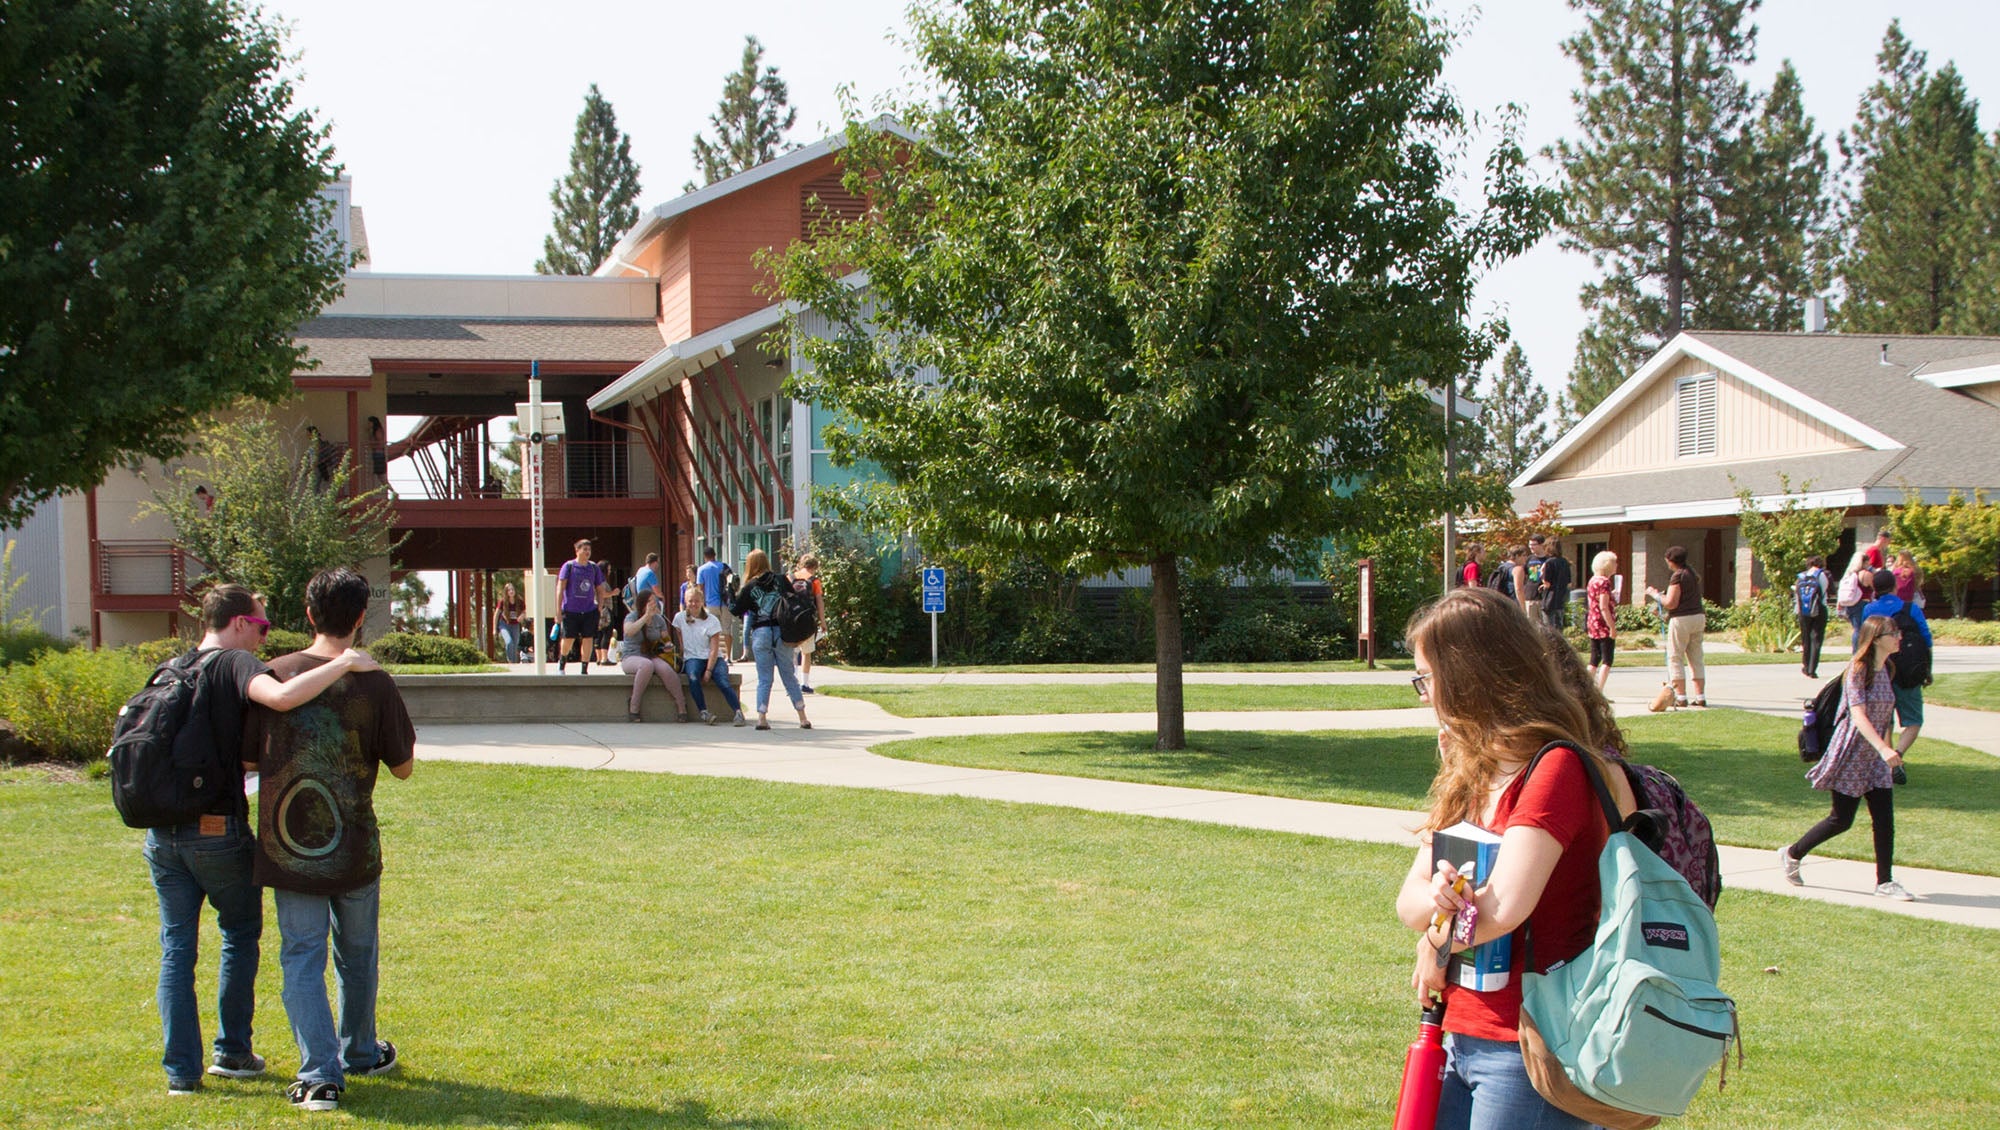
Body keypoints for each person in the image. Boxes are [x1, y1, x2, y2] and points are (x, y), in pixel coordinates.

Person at [1395, 587, 1636, 1130]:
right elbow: (1409, 901)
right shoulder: (1473, 771)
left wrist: (1438, 939)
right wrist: (1439, 919)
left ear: (1466, 677)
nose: (1425, 696)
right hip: (1463, 1032)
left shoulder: (1555, 770)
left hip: (1531, 1044)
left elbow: (1500, 910)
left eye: (1427, 680)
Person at [145, 583, 378, 1097]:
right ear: (238, 625)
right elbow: (282, 695)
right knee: (239, 933)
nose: (263, 638)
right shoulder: (233, 663)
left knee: (176, 947)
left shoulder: (171, 667)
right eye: (263, 627)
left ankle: (181, 1073)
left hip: (162, 837)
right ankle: (231, 1051)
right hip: (215, 830)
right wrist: (345, 663)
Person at [243, 568, 415, 1112]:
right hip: (355, 844)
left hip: (287, 845)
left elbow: (248, 759)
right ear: (361, 618)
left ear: (310, 612)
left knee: (301, 955)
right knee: (357, 955)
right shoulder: (375, 682)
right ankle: (359, 1051)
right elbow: (404, 767)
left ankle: (320, 1073)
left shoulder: (275, 675)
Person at [1778, 614, 1915, 901]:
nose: (1898, 637)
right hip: (1852, 752)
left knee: (1884, 818)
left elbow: (1884, 718)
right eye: (1893, 633)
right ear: (1876, 638)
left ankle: (1885, 882)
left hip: (1875, 757)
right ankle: (1792, 853)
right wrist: (1883, 749)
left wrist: (1889, 753)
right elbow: (1858, 715)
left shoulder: (1886, 669)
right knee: (1841, 819)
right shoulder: (1857, 670)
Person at [731, 548, 812, 731]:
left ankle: (762, 717)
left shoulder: (750, 587)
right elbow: (793, 601)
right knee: (788, 675)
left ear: (750, 565)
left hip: (761, 632)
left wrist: (731, 592)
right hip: (782, 632)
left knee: (765, 678)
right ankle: (802, 717)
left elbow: (735, 609)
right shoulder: (781, 580)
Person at [1861, 566, 1931, 758]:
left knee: (1885, 720)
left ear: (1875, 588)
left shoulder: (1870, 609)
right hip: (1909, 670)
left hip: (1880, 668)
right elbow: (1927, 640)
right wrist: (1927, 669)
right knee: (1914, 720)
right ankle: (1898, 754)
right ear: (1895, 587)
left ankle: (1887, 759)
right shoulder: (1911, 608)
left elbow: (1863, 639)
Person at [675, 588, 747, 726]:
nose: (693, 604)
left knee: (722, 680)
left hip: (713, 657)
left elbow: (714, 648)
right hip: (692, 658)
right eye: (690, 601)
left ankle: (738, 712)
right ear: (685, 601)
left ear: (702, 602)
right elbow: (681, 642)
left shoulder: (711, 620)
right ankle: (704, 712)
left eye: (697, 601)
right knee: (693, 677)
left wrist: (708, 670)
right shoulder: (679, 618)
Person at [1646, 545, 1706, 708]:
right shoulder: (1692, 574)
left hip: (1682, 620)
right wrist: (1664, 616)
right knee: (1696, 659)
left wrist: (1655, 595)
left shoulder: (1678, 576)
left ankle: (1681, 697)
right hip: (1698, 617)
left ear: (1671, 561)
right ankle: (1700, 696)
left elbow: (1671, 603)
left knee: (1675, 658)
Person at [617, 588, 689, 722]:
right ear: (642, 603)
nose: (653, 604)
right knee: (646, 665)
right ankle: (634, 706)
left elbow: (666, 640)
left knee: (665, 669)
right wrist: (646, 617)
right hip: (631, 657)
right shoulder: (632, 616)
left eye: (654, 601)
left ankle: (681, 706)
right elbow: (629, 631)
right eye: (649, 601)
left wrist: (668, 646)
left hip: (653, 655)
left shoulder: (659, 620)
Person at [556, 539, 609, 674]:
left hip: (589, 610)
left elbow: (600, 588)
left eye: (589, 550)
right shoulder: (569, 566)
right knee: (568, 638)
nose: (587, 552)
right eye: (584, 549)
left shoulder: (593, 568)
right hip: (570, 610)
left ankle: (584, 668)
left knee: (588, 638)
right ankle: (562, 663)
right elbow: (560, 588)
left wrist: (600, 606)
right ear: (577, 550)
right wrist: (558, 610)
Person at [791, 552, 827, 693]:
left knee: (793, 653)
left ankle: (792, 683)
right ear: (814, 566)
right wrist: (822, 621)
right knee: (806, 653)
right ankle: (805, 684)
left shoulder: (791, 577)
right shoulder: (814, 581)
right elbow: (819, 602)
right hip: (807, 620)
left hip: (792, 620)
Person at [696, 546, 739, 663]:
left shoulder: (702, 569)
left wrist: (701, 604)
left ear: (705, 557)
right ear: (715, 555)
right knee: (727, 630)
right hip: (725, 603)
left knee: (710, 631)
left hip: (710, 604)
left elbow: (700, 588)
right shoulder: (724, 566)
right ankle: (728, 657)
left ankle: (713, 655)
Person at [1585, 550, 1618, 690]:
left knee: (1594, 659)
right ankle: (1599, 690)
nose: (1616, 565)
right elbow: (1604, 607)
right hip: (1603, 623)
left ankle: (1585, 688)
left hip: (1592, 621)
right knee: (1607, 659)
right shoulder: (1604, 582)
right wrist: (1612, 627)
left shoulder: (1592, 580)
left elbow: (1594, 600)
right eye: (1614, 562)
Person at [1795, 554, 1831, 679]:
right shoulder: (1822, 575)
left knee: (1805, 639)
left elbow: (1797, 595)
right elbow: (1826, 591)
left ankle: (1805, 666)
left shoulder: (1801, 576)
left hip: (1803, 610)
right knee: (1816, 638)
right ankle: (1812, 669)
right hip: (1819, 608)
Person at [1537, 535, 1573, 632]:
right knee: (1559, 628)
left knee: (1549, 629)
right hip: (1560, 599)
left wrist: (1542, 575)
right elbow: (1569, 583)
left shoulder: (1549, 563)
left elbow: (1547, 583)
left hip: (1550, 600)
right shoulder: (1565, 562)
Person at [595, 565, 626, 668]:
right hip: (605, 610)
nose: (610, 571)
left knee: (599, 634)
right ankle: (604, 658)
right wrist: (614, 592)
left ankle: (599, 658)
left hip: (598, 610)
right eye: (608, 569)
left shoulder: (595, 580)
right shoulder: (602, 582)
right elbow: (603, 594)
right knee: (606, 633)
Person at [492, 582, 524, 664]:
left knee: (515, 644)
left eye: (512, 589)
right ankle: (510, 662)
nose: (511, 591)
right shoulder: (502, 602)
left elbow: (525, 611)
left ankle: (514, 663)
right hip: (504, 625)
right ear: (506, 592)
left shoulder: (519, 601)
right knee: (509, 642)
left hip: (515, 625)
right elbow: (496, 615)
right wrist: (494, 629)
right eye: (509, 590)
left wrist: (522, 616)